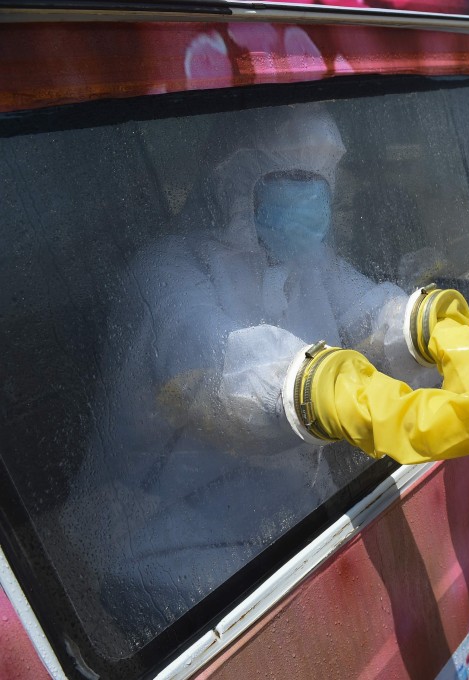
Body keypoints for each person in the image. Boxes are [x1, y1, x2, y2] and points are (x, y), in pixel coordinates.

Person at [59, 104, 429, 650]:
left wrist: (428, 329)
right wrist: (320, 389)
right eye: (295, 179)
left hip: (270, 515)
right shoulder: (169, 274)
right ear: (237, 177)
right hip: (154, 536)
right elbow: (223, 382)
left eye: (323, 181)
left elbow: (368, 312)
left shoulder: (307, 262)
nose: (315, 198)